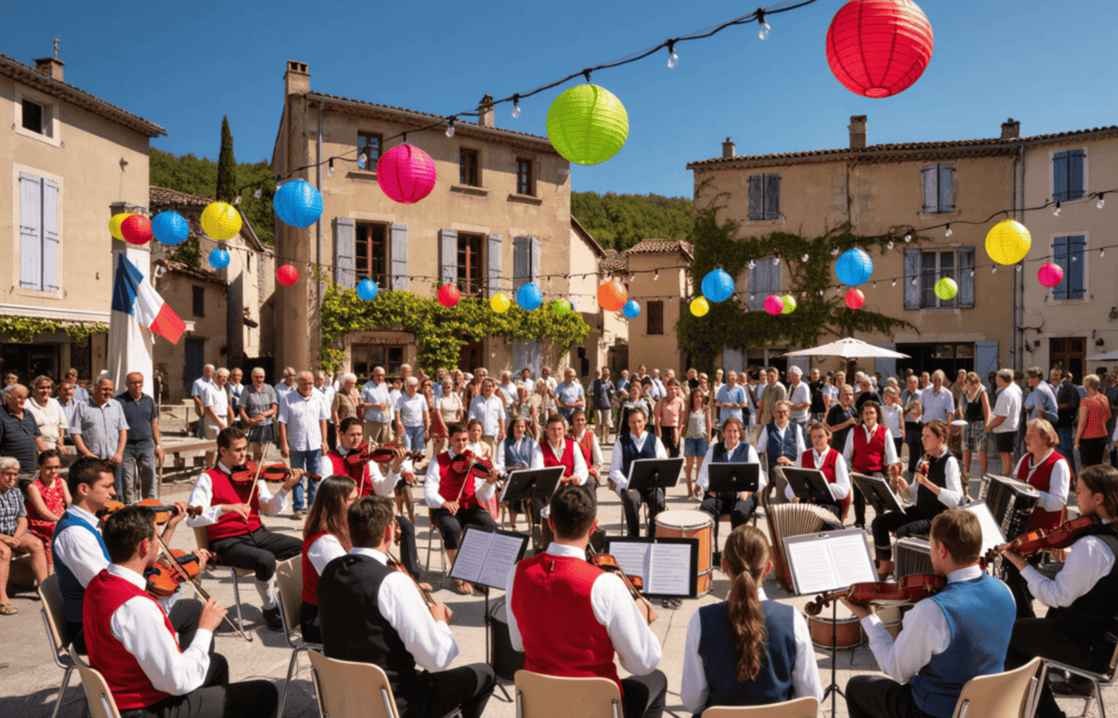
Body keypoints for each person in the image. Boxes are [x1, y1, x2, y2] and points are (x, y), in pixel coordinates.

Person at [84, 504, 278, 718]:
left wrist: (181, 578)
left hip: (116, 691)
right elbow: (178, 681)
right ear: (144, 546)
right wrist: (205, 629)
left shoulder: (99, 582)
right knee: (265, 693)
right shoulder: (137, 606)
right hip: (144, 709)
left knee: (216, 664)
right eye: (157, 538)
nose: (161, 545)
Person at [318, 494, 496, 718]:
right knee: (486, 674)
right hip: (394, 704)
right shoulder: (392, 581)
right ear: (389, 532)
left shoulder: (330, 570)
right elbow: (437, 659)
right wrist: (440, 623)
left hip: (342, 698)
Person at [506, 485, 666, 718]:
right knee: (657, 679)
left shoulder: (517, 572)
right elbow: (644, 663)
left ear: (551, 523)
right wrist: (640, 619)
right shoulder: (605, 585)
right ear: (592, 527)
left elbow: (518, 643)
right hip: (596, 709)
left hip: (541, 706)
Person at [845, 509, 1015, 718]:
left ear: (942, 550)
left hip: (937, 712)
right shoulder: (1005, 591)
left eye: (931, 545)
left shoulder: (934, 610)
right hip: (989, 708)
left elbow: (896, 670)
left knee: (857, 688)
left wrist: (867, 616)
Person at [1003, 464, 1118, 718]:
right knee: (1038, 625)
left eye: (1080, 491)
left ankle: (1048, 714)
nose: (1074, 495)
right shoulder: (1108, 538)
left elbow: (1056, 595)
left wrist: (1020, 563)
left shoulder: (1091, 545)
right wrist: (1070, 558)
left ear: (1098, 498)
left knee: (1007, 635)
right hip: (1106, 643)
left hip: (1085, 646)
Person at [55, 457, 202, 652]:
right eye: (107, 486)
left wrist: (170, 527)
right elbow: (109, 587)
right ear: (84, 489)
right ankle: (182, 677)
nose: (113, 493)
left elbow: (143, 554)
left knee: (190, 607)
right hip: (95, 630)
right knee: (195, 613)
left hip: (110, 616)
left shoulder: (91, 524)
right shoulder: (75, 534)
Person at [681, 525, 823, 715]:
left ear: (724, 566)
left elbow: (693, 703)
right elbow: (811, 696)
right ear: (768, 569)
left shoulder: (700, 621)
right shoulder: (793, 619)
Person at [186, 427, 304, 631]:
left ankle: (290, 602)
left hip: (258, 533)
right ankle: (270, 609)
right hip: (226, 541)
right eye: (237, 450)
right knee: (265, 559)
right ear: (222, 451)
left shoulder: (253, 473)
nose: (244, 455)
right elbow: (192, 516)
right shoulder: (208, 478)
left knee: (303, 548)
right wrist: (225, 508)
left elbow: (269, 510)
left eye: (244, 449)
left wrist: (285, 489)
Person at [320, 416, 421, 571]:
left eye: (359, 435)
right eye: (352, 435)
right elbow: (325, 495)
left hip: (369, 514)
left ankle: (412, 575)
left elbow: (382, 489)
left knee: (405, 525)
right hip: (343, 517)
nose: (356, 439)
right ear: (340, 435)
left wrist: (394, 469)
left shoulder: (368, 459)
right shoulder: (328, 460)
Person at [872, 421, 964, 580]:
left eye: (928, 436)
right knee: (879, 523)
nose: (923, 439)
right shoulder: (925, 458)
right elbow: (913, 494)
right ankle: (886, 565)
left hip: (937, 518)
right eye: (922, 435)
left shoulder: (950, 462)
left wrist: (928, 484)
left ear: (941, 438)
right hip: (919, 511)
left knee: (903, 531)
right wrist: (904, 487)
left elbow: (956, 499)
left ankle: (909, 574)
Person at [1000, 419, 1071, 619]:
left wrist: (1030, 493)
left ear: (1046, 438)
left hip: (1042, 533)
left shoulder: (1059, 464)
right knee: (1011, 572)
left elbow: (1058, 502)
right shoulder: (1025, 459)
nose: (1025, 438)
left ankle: (1025, 620)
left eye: (1031, 435)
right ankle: (1020, 616)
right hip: (1020, 528)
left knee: (1017, 574)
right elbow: (1014, 484)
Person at [424, 423, 501, 595]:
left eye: (465, 440)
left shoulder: (473, 460)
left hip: (470, 506)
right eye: (457, 440)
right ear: (449, 439)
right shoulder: (438, 461)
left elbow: (481, 496)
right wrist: (444, 503)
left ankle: (476, 572)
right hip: (443, 509)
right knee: (452, 528)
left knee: (492, 528)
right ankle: (459, 575)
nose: (461, 444)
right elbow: (428, 491)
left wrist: (489, 483)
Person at [697, 417, 765, 542]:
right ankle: (708, 549)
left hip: (742, 497)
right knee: (705, 508)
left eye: (735, 430)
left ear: (740, 433)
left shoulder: (748, 449)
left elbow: (759, 479)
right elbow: (703, 477)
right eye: (729, 430)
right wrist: (709, 487)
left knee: (739, 511)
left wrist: (749, 490)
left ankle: (737, 548)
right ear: (723, 433)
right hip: (719, 497)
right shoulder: (713, 450)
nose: (732, 434)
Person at [278, 371, 330, 519]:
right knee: (296, 477)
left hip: (315, 444)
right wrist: (284, 444)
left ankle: (312, 507)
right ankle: (298, 508)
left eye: (311, 383)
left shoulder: (319, 397)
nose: (308, 386)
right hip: (296, 444)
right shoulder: (288, 399)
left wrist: (324, 441)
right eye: (304, 383)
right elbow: (282, 422)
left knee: (314, 477)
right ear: (297, 383)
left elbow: (323, 420)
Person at [0, 457, 48, 614]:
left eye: (14, 474)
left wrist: (17, 536)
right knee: (3, 552)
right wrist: (5, 538)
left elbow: (22, 519)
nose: (11, 478)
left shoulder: (15, 493)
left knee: (36, 544)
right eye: (6, 474)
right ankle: (2, 599)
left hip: (13, 533)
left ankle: (45, 590)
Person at [610, 408, 668, 538]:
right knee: (630, 499)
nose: (637, 425)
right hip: (631, 487)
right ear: (628, 423)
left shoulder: (655, 441)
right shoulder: (621, 442)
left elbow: (664, 464)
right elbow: (614, 470)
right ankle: (633, 535)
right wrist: (626, 484)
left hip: (651, 485)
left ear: (646, 421)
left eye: (639, 421)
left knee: (658, 500)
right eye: (633, 422)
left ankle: (653, 535)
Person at [843, 401, 901, 529]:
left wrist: (893, 471)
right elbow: (846, 456)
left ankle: (879, 521)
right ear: (862, 416)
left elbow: (891, 455)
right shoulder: (854, 432)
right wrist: (850, 471)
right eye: (866, 413)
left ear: (877, 415)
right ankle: (859, 522)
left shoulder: (885, 432)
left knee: (878, 499)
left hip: (877, 470)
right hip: (858, 470)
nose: (869, 416)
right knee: (858, 499)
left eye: (872, 413)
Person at [71, 377, 129, 496]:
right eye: (105, 389)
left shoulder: (116, 405)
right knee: (94, 495)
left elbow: (123, 430)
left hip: (113, 461)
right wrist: (87, 454)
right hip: (92, 461)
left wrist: (120, 453)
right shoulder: (82, 406)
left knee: (115, 494)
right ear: (96, 388)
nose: (108, 392)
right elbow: (75, 433)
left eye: (110, 390)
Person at [785, 422, 849, 530]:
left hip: (829, 504)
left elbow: (845, 489)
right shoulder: (803, 456)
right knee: (790, 523)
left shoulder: (837, 457)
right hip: (807, 503)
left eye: (820, 436)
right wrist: (793, 496)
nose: (817, 440)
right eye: (814, 437)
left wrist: (825, 487)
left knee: (822, 520)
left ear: (828, 437)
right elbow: (790, 485)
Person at [116, 372, 163, 503]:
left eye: (139, 382)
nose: (137, 385)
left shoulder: (149, 401)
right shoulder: (118, 401)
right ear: (127, 384)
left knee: (149, 478)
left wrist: (158, 445)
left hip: (146, 444)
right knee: (128, 480)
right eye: (133, 382)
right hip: (126, 446)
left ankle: (149, 507)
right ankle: (129, 509)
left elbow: (154, 424)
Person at [756, 401, 807, 510]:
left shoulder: (796, 428)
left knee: (785, 472)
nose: (781, 414)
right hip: (773, 466)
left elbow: (803, 452)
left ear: (789, 413)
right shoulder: (768, 428)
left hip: (792, 464)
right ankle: (783, 506)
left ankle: (785, 503)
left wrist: (791, 462)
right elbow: (759, 450)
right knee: (779, 472)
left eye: (784, 411)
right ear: (774, 414)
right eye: (778, 412)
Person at [25, 448, 70, 566]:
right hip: (42, 522)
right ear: (39, 466)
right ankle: (51, 571)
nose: (53, 471)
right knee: (55, 529)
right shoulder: (34, 487)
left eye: (57, 467)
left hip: (60, 518)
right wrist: (61, 520)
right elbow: (43, 512)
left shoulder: (61, 481)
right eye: (49, 468)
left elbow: (69, 502)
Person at [496, 417, 539, 531]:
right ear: (512, 427)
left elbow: (536, 462)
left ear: (525, 428)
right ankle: (513, 524)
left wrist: (531, 474)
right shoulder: (505, 443)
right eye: (517, 426)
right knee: (514, 484)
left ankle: (533, 523)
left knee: (531, 489)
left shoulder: (531, 443)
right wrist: (506, 473)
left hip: (528, 476)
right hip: (511, 476)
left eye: (522, 426)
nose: (520, 429)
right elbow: (500, 463)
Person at [0, 382, 48, 480]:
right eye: (19, 397)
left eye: (25, 398)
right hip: (11, 475)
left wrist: (50, 457)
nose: (23, 401)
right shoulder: (1, 415)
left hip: (31, 471)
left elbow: (37, 438)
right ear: (8, 398)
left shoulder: (28, 414)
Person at [986, 368, 1023, 475]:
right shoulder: (1015, 389)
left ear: (1001, 379)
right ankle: (1009, 474)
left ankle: (1006, 475)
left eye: (997, 378)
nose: (996, 381)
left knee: (1004, 453)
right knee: (1007, 453)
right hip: (1010, 426)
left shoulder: (1006, 393)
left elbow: (1001, 416)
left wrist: (989, 427)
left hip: (1005, 428)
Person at [238, 368, 278, 464]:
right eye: (256, 377)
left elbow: (274, 407)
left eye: (261, 377)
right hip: (253, 425)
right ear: (252, 378)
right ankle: (255, 471)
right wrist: (249, 420)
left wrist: (265, 414)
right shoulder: (247, 390)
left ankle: (260, 471)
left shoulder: (269, 388)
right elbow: (241, 409)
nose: (259, 379)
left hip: (267, 424)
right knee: (256, 451)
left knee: (264, 451)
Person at [957, 372, 991, 480]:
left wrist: (987, 424)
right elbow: (961, 404)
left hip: (979, 423)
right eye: (968, 384)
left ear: (977, 382)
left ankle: (983, 476)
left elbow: (987, 409)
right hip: (967, 422)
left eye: (972, 384)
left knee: (981, 450)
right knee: (966, 449)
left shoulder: (982, 391)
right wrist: (962, 414)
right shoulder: (966, 392)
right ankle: (965, 475)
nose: (970, 386)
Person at [1076, 374, 1112, 469]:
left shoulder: (1085, 401)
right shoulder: (1104, 398)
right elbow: (1108, 416)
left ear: (1087, 386)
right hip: (1102, 435)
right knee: (1098, 466)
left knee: (1087, 468)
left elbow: (1082, 423)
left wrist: (1076, 441)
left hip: (1088, 438)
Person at [683, 390, 712, 500]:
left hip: (702, 439)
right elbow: (684, 421)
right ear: (692, 398)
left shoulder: (706, 409)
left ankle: (697, 490)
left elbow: (708, 424)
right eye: (696, 396)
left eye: (700, 396)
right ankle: (689, 491)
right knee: (689, 467)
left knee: (700, 468)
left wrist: (708, 437)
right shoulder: (688, 409)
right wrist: (685, 408)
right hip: (690, 439)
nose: (698, 398)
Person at [26, 375, 68, 452]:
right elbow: (30, 431)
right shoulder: (27, 405)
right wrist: (45, 451)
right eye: (42, 388)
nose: (46, 390)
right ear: (34, 389)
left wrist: (61, 440)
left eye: (48, 387)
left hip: (55, 446)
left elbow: (62, 424)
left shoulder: (55, 403)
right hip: (36, 448)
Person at [1052, 366, 1081, 477]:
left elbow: (1074, 403)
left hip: (1064, 423)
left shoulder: (1069, 386)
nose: (1053, 377)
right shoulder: (1054, 386)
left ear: (1062, 376)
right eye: (1052, 375)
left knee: (1066, 451)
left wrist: (1059, 406)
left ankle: (1072, 478)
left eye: (1056, 375)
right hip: (1056, 423)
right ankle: (1063, 476)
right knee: (1059, 451)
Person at [468, 377, 506, 455]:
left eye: (490, 386)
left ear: (493, 388)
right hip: (478, 435)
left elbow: (501, 417)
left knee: (491, 458)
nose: (488, 388)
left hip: (493, 434)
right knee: (478, 456)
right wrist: (470, 433)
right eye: (486, 386)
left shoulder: (498, 400)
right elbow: (471, 417)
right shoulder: (476, 400)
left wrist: (502, 431)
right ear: (482, 388)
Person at [394, 377, 430, 457]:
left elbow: (426, 414)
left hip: (419, 428)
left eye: (415, 386)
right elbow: (397, 414)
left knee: (418, 452)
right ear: (406, 387)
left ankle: (413, 466)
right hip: (406, 429)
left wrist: (427, 429)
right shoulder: (401, 398)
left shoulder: (421, 398)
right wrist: (399, 426)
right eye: (410, 386)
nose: (413, 388)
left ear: (417, 387)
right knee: (408, 451)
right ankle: (409, 467)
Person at [360, 366, 395, 446]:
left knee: (385, 447)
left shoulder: (384, 386)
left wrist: (388, 404)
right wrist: (375, 406)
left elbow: (389, 401)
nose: (380, 377)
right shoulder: (366, 387)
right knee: (371, 446)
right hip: (372, 422)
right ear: (373, 374)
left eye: (382, 375)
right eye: (378, 375)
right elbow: (361, 404)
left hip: (385, 422)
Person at [568, 409, 604, 489]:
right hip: (571, 474)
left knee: (589, 482)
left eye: (582, 420)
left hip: (588, 472)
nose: (580, 422)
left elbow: (598, 461)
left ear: (585, 422)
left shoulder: (590, 436)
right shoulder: (567, 437)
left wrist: (592, 470)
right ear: (572, 422)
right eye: (577, 420)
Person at [653, 379, 685, 459]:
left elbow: (682, 418)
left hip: (675, 429)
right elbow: (657, 419)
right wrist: (658, 431)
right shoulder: (662, 401)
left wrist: (679, 431)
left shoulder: (679, 401)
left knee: (675, 453)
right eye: (671, 389)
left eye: (675, 389)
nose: (673, 391)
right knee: (663, 453)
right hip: (664, 429)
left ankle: (674, 470)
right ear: (667, 389)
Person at [589, 367, 615, 444]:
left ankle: (606, 438)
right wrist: (591, 394)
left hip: (607, 405)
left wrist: (612, 392)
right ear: (602, 374)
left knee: (607, 423)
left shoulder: (610, 383)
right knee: (599, 423)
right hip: (597, 405)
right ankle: (600, 439)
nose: (606, 375)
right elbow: (589, 391)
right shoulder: (595, 382)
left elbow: (613, 392)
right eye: (605, 374)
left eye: (607, 374)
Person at [191, 364, 215, 440]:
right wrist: (201, 406)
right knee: (203, 426)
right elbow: (195, 395)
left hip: (213, 406)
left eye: (211, 372)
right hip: (204, 406)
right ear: (204, 372)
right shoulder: (198, 382)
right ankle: (202, 438)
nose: (209, 374)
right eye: (206, 372)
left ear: (213, 372)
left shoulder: (215, 382)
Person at [787, 367, 811, 433]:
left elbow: (806, 404)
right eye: (792, 375)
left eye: (796, 375)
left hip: (801, 421)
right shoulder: (791, 386)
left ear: (799, 376)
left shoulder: (804, 386)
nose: (794, 378)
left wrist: (793, 407)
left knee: (801, 441)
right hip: (791, 419)